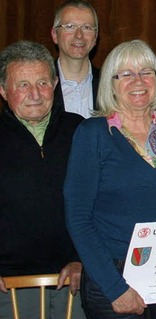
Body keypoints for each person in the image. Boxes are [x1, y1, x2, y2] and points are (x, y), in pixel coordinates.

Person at [64, 40, 156, 318]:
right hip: (112, 276)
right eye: (125, 74)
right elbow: (78, 217)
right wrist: (115, 288)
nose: (137, 81)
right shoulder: (91, 134)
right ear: (111, 83)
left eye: (146, 71)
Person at [0, 40, 86, 319]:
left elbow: (102, 203)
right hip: (8, 287)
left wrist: (83, 261)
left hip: (75, 282)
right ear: (3, 90)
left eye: (43, 82)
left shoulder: (81, 132)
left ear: (55, 84)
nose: (35, 94)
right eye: (22, 85)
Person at [50, 0, 100, 118]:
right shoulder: (39, 86)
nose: (79, 35)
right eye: (70, 26)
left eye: (87, 27)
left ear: (95, 37)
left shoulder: (110, 85)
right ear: (55, 35)